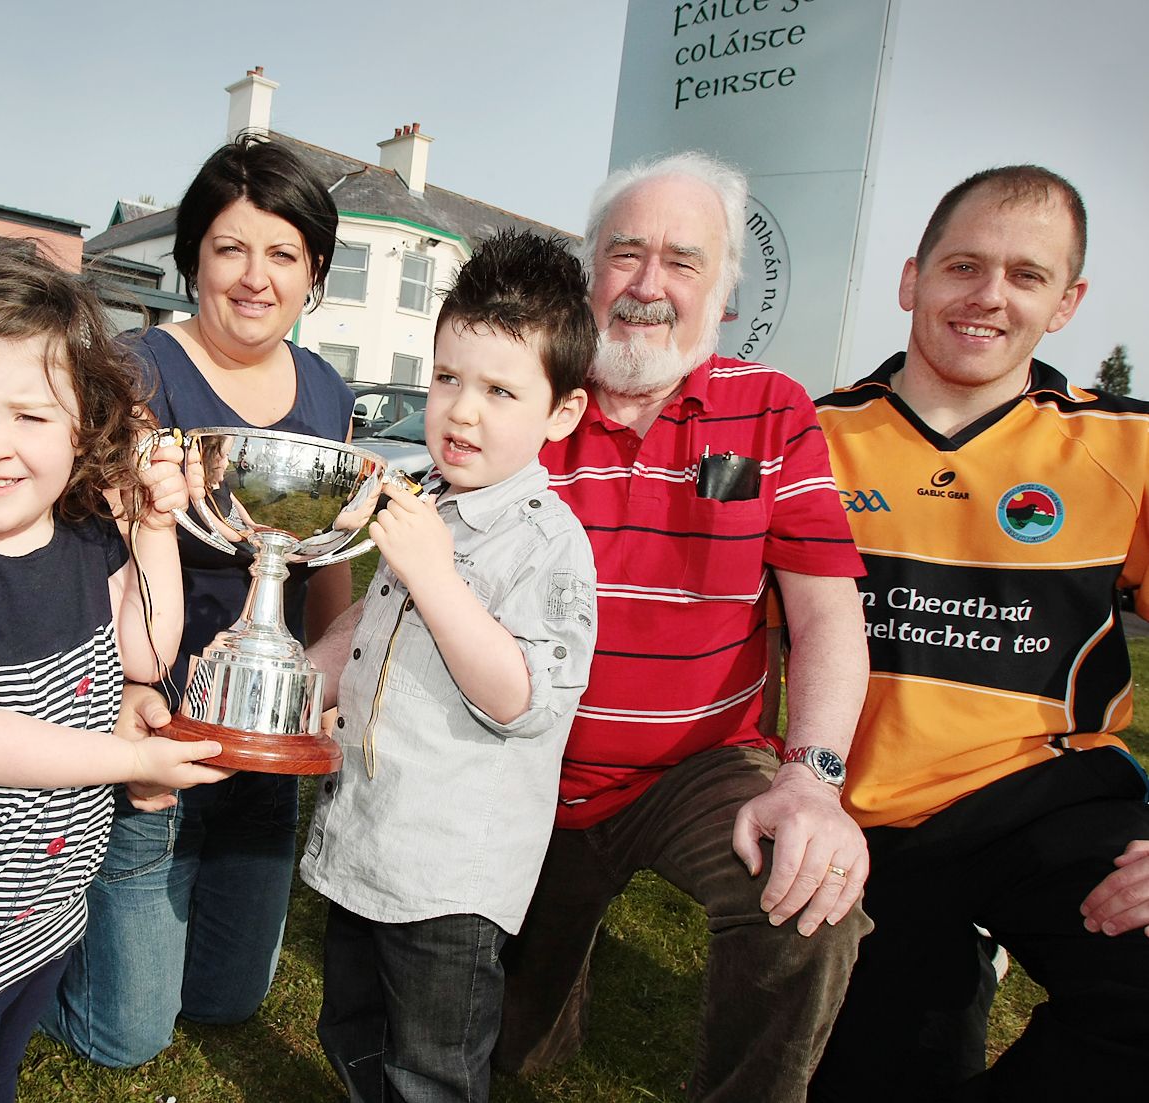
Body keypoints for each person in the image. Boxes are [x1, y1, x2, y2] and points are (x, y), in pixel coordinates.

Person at [493, 151, 873, 1102]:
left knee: (808, 905)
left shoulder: (773, 411)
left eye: (683, 260)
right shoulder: (526, 401)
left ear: (725, 291)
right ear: (589, 272)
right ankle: (546, 989)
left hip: (699, 767)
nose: (649, 285)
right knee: (514, 1050)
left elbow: (827, 611)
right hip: (528, 757)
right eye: (626, 254)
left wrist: (813, 780)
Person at [0, 238, 230, 1103]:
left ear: (82, 426)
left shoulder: (84, 537)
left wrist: (153, 528)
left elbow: (148, 650)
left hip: (43, 917)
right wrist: (134, 761)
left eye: (29, 415)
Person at [810, 166, 1149, 1101]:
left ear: (1068, 302)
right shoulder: (810, 439)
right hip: (868, 826)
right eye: (964, 265)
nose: (989, 296)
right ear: (912, 278)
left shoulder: (1128, 445)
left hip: (1049, 801)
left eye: (1027, 276)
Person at [41, 134, 356, 1067]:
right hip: (149, 726)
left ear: (315, 272)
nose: (255, 278)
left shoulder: (327, 389)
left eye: (283, 253)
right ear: (192, 260)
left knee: (225, 1000)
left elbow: (323, 562)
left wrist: (322, 673)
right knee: (128, 1034)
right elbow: (73, 555)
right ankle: (30, 974)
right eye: (230, 248)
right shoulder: (132, 371)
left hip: (263, 735)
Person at [300, 229, 597, 1102]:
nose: (461, 411)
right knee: (350, 1024)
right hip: (369, 835)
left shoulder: (549, 544)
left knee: (432, 1065)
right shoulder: (428, 496)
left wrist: (435, 574)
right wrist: (303, 671)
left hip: (450, 877)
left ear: (562, 413)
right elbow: (367, 617)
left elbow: (521, 698)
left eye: (500, 390)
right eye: (448, 379)